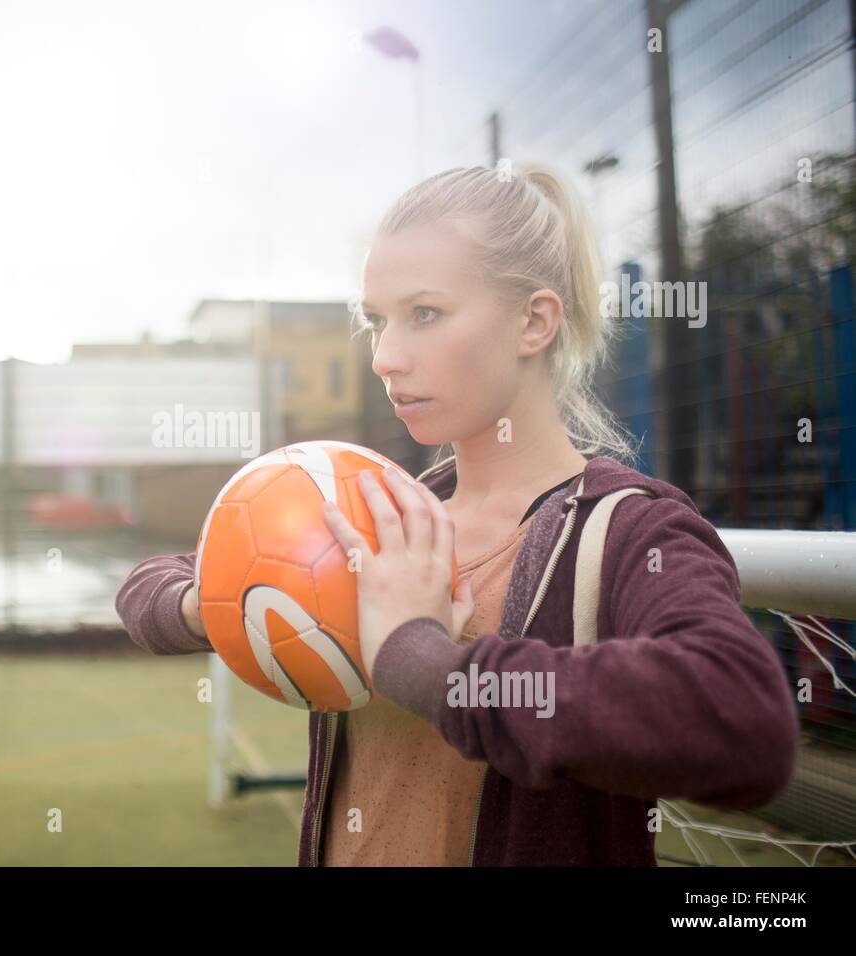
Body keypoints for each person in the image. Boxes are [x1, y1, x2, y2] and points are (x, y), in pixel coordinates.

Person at [114, 161, 798, 866]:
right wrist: (220, 603)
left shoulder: (628, 531)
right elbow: (146, 591)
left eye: (425, 315)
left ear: (534, 321)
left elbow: (747, 727)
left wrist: (424, 659)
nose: (384, 357)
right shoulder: (376, 507)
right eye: (375, 321)